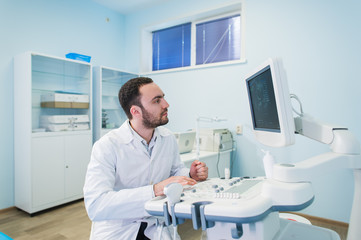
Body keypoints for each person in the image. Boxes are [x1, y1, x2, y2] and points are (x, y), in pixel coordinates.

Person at [83, 77, 208, 239]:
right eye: (157, 101)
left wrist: (190, 175)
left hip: (158, 225)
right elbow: (96, 205)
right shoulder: (107, 146)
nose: (166, 104)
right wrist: (155, 190)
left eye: (163, 97)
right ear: (135, 111)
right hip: (120, 230)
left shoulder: (168, 137)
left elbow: (175, 171)